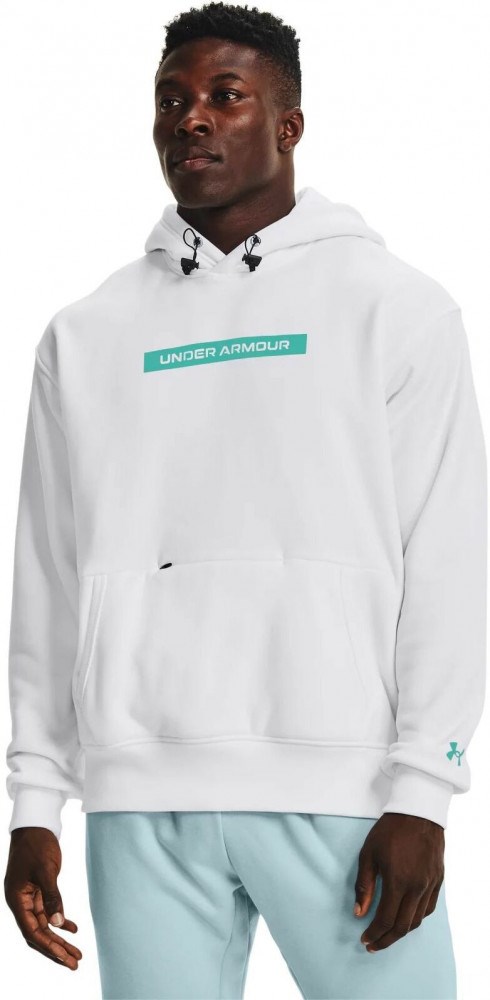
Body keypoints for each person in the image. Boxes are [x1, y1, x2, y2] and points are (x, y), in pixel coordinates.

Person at [3, 3, 487, 998]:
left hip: (345, 791)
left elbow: (450, 557)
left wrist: (424, 789)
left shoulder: (396, 309)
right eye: (171, 100)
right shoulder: (85, 336)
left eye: (226, 96)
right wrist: (35, 802)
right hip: (139, 800)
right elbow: (46, 578)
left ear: (288, 124)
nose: (191, 118)